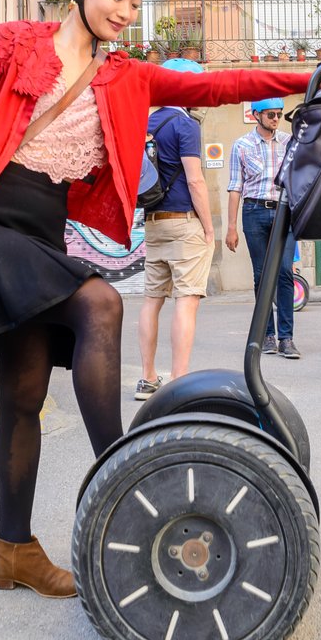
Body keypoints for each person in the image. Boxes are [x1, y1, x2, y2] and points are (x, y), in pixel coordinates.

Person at [0, 0, 311, 599]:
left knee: (22, 393)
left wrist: (310, 76)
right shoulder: (12, 44)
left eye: (137, 3)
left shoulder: (125, 75)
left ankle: (12, 549)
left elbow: (219, 86)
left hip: (42, 232)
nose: (127, 12)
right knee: (101, 303)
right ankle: (125, 484)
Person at [135, 58, 214, 401]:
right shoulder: (186, 125)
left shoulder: (145, 122)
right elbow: (195, 180)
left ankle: (148, 378)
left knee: (152, 300)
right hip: (183, 223)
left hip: (152, 222)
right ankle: (179, 379)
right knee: (187, 300)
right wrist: (209, 228)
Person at [225, 98, 300, 358]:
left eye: (279, 114)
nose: (276, 119)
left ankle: (287, 338)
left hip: (284, 212)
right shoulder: (241, 145)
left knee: (284, 272)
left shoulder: (291, 142)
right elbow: (235, 187)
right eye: (271, 114)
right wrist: (231, 227)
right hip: (254, 211)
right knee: (261, 275)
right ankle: (267, 335)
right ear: (256, 115)